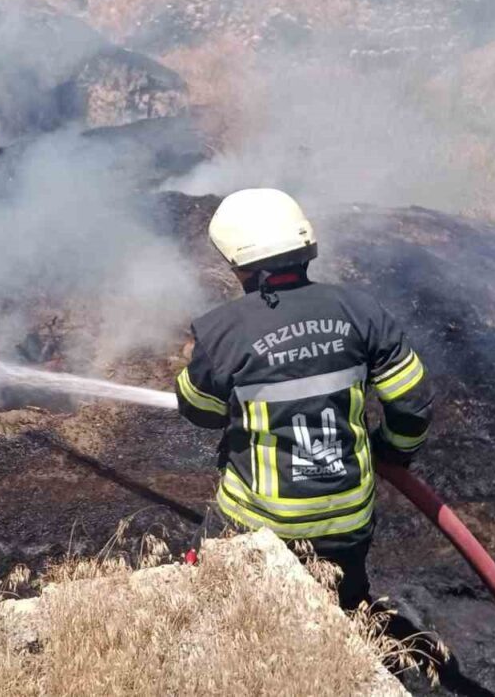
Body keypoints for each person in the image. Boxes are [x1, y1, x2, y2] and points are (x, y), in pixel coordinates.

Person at [174, 187, 434, 610]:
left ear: (237, 263)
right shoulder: (361, 310)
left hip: (256, 522)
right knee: (342, 606)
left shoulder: (223, 331)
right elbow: (413, 401)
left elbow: (199, 410)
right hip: (348, 520)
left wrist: (205, 367)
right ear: (306, 247)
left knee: (205, 594)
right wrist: (391, 452)